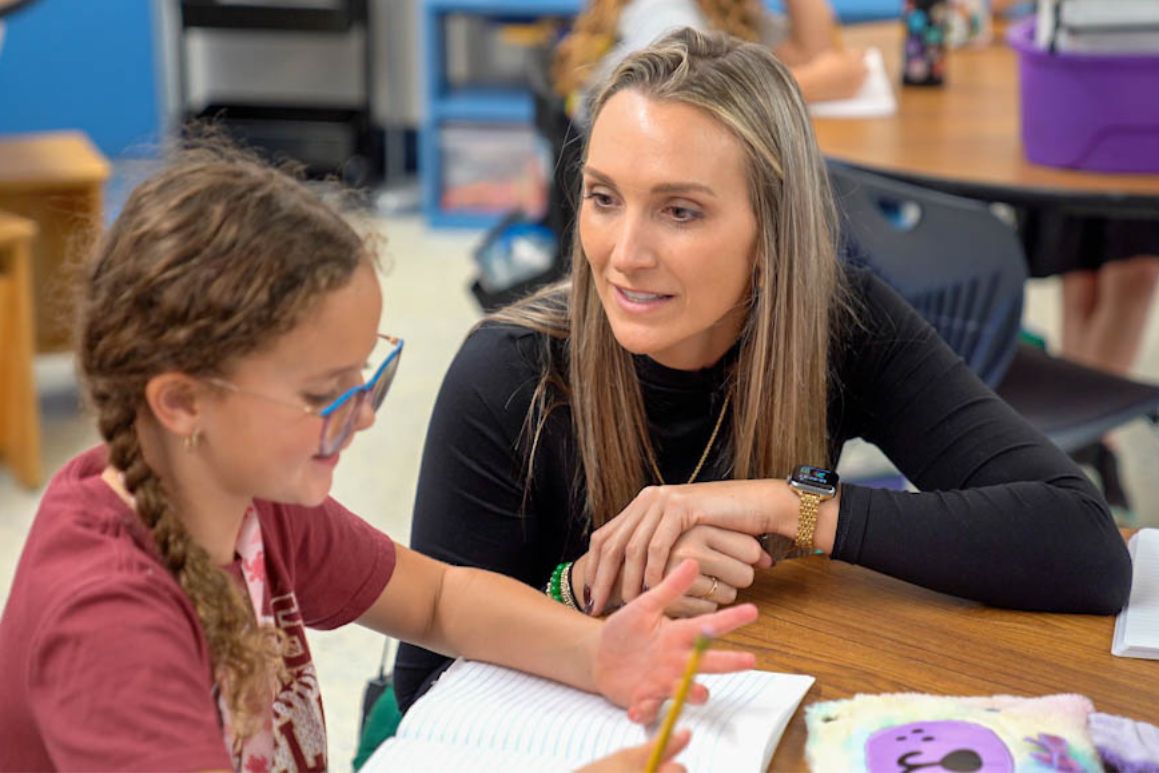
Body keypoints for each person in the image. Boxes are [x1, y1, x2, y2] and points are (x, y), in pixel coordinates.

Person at [396, 27, 1133, 712]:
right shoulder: (506, 372)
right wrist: (584, 590)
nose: (624, 254)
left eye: (679, 211)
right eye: (603, 198)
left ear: (772, 229)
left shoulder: (840, 319)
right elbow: (425, 685)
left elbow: (1081, 546)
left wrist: (791, 506)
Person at [0, 143, 761, 772]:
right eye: (325, 393)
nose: (361, 416)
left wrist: (596, 651)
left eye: (364, 377)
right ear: (183, 402)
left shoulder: (238, 492)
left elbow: (435, 600)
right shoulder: (107, 625)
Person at [552, 0, 869, 109]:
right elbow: (687, 101)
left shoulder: (724, 9)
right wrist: (813, 84)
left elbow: (811, 52)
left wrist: (824, 76)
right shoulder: (667, 13)